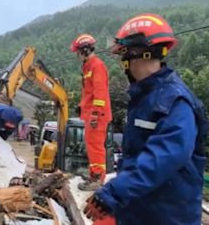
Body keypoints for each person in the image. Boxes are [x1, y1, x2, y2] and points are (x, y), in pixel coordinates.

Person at [84, 13, 208, 224]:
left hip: (167, 216)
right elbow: (137, 158)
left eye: (123, 54)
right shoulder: (145, 97)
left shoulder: (175, 101)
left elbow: (165, 156)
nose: (122, 62)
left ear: (136, 53)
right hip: (143, 211)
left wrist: (114, 193)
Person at [70, 33, 112, 191]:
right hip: (92, 113)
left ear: (85, 50)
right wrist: (83, 107)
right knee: (91, 144)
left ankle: (97, 178)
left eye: (78, 52)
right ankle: (95, 174)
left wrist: (95, 113)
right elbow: (89, 92)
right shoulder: (89, 66)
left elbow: (99, 92)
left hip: (97, 115)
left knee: (95, 146)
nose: (77, 55)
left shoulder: (96, 66)